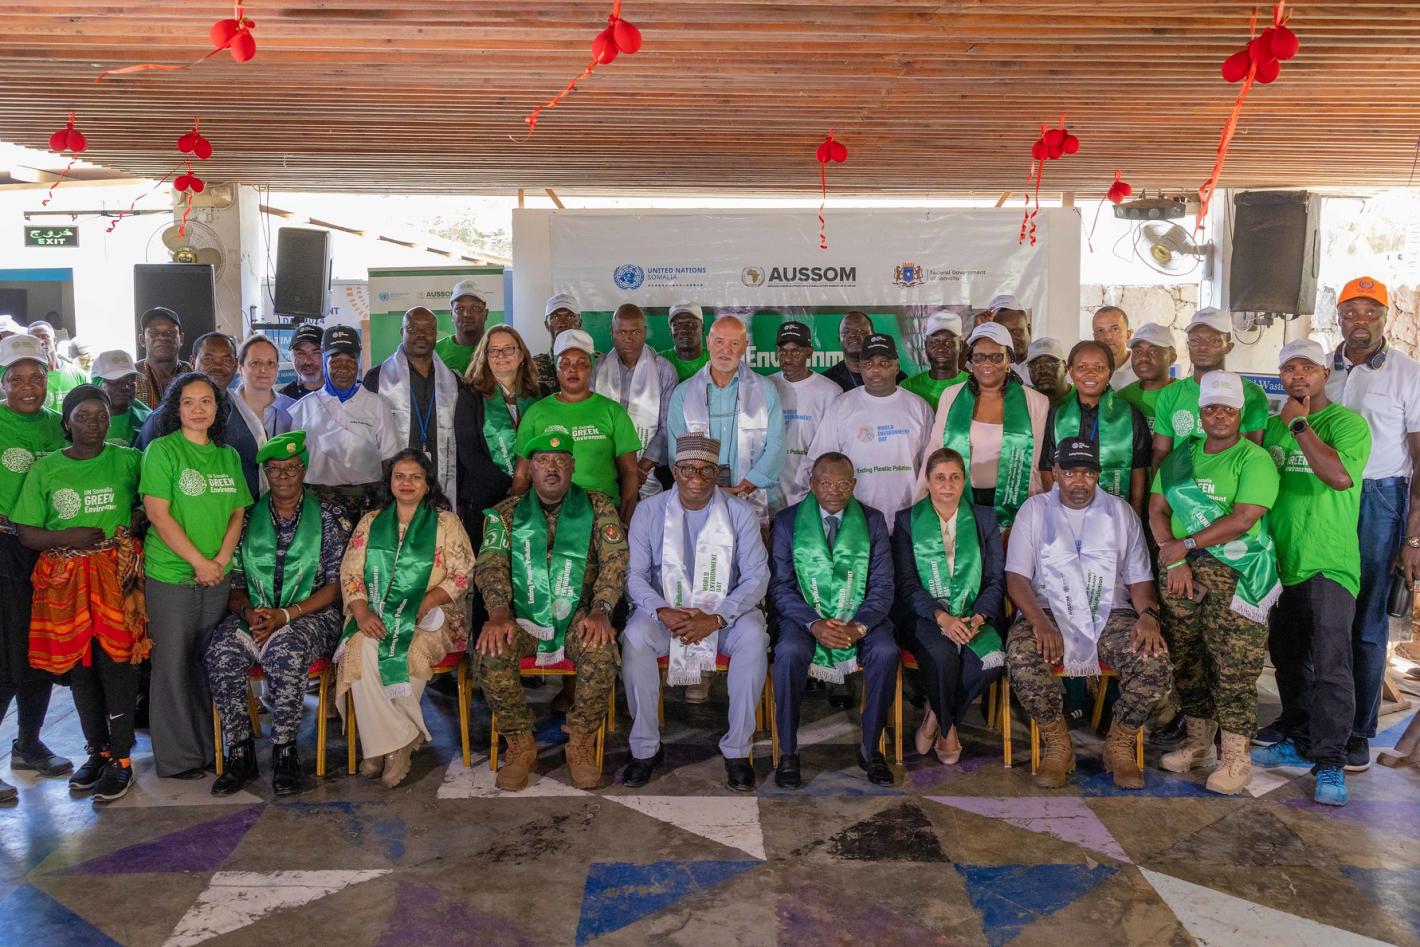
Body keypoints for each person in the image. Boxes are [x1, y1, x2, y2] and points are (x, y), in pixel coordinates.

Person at [1005, 438, 1171, 789]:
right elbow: (1016, 578)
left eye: (1087, 473)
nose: (1079, 482)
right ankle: (1058, 744)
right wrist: (1038, 622)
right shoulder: (1034, 511)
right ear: (1055, 473)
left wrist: (1148, 616)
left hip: (1110, 611)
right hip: (1047, 610)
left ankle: (1120, 743)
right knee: (1021, 654)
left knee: (1153, 659)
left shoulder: (1120, 513)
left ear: (1098, 474)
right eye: (1070, 473)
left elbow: (1140, 578)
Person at [1251, 340, 1370, 806]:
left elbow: (1338, 477)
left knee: (1331, 666)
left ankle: (1330, 761)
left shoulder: (1347, 424)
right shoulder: (1274, 428)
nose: (1297, 376)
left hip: (1328, 563)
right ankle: (1298, 737)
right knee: (1288, 660)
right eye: (1288, 369)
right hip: (1281, 562)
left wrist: (1299, 425)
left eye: (1307, 368)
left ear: (1325, 373)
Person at [473, 431, 627, 791]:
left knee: (601, 650)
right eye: (543, 460)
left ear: (572, 466)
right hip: (521, 619)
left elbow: (616, 560)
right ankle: (520, 744)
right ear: (530, 469)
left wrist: (602, 608)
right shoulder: (505, 514)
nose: (552, 468)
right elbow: (490, 566)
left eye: (560, 460)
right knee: (491, 652)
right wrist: (498, 612)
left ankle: (580, 743)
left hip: (579, 616)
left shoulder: (597, 506)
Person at [1150, 371, 1281, 795]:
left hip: (1236, 573)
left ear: (1240, 413)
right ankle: (1198, 745)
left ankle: (1236, 759)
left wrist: (1186, 544)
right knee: (1187, 659)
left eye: (1228, 409)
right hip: (1181, 571)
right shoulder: (1181, 457)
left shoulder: (1253, 459)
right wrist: (1174, 558)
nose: (1219, 416)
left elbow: (1244, 519)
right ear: (1200, 413)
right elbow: (1156, 508)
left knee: (1233, 666)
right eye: (1211, 409)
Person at [13, 385, 145, 803]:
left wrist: (137, 517)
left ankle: (122, 759)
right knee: (81, 668)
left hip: (115, 577)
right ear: (67, 422)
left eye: (101, 416)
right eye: (83, 417)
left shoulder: (128, 460)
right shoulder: (47, 469)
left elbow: (155, 498)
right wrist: (67, 536)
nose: (94, 424)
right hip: (67, 582)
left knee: (117, 664)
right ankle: (98, 753)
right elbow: (27, 531)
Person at [621, 434, 771, 791]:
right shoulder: (649, 511)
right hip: (666, 613)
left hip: (724, 615)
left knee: (754, 637)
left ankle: (738, 750)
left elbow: (756, 577)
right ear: (675, 471)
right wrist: (661, 610)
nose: (697, 478)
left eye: (706, 470)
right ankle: (644, 748)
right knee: (635, 637)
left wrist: (717, 617)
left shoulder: (739, 513)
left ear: (717, 473)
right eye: (688, 469)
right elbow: (634, 576)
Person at [204, 432, 347, 797]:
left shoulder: (329, 518)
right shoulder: (246, 518)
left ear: (304, 470)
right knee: (221, 653)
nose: (283, 476)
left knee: (286, 650)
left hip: (311, 615)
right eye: (275, 469)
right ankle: (240, 752)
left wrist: (287, 615)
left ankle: (285, 752)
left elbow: (335, 587)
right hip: (255, 612)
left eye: (291, 468)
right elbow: (234, 582)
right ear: (265, 473)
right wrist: (249, 612)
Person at [1321, 276, 1420, 769]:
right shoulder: (1322, 368)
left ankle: (1358, 731)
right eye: (1350, 312)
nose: (1360, 321)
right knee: (1322, 609)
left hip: (1379, 498)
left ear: (1386, 318)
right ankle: (1315, 722)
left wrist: (1414, 535)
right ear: (1338, 317)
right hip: (1323, 496)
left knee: (1366, 619)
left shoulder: (1408, 374)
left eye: (1370, 312)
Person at [140, 371, 253, 779]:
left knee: (206, 664)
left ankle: (209, 749)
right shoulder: (162, 450)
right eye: (188, 402)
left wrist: (220, 560)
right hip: (172, 576)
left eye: (206, 401)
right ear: (176, 408)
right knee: (172, 665)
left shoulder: (227, 455)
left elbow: (238, 512)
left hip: (216, 576)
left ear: (218, 408)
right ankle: (178, 759)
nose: (198, 409)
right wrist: (199, 562)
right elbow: (158, 514)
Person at [337, 450, 472, 788]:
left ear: (427, 484)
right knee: (362, 647)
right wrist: (361, 611)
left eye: (415, 477)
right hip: (376, 611)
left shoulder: (446, 523)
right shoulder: (371, 522)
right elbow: (350, 572)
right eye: (400, 476)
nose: (407, 483)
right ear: (390, 482)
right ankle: (393, 742)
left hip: (434, 614)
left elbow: (462, 575)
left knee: (408, 648)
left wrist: (425, 601)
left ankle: (383, 747)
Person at [769, 453, 898, 787]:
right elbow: (781, 587)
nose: (834, 491)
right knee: (788, 652)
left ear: (853, 485)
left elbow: (883, 586)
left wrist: (859, 626)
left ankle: (872, 749)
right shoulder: (787, 521)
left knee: (885, 652)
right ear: (812, 484)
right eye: (826, 483)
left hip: (860, 618)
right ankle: (788, 751)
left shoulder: (872, 520)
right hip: (804, 619)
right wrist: (814, 624)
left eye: (842, 484)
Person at [894, 448, 1005, 766]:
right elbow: (906, 583)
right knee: (942, 657)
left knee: (989, 662)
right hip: (925, 615)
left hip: (974, 613)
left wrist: (979, 617)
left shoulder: (984, 519)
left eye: (955, 477)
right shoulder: (907, 521)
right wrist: (942, 617)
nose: (947, 484)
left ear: (964, 480)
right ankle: (949, 731)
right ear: (928, 482)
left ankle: (937, 717)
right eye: (939, 477)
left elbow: (995, 578)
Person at [0, 335, 72, 800]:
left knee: (40, 651)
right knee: (5, 659)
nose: (28, 387)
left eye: (36, 377)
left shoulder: (57, 425)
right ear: (3, 383)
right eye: (16, 379)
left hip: (47, 551)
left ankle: (28, 743)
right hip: (4, 549)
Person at [921, 322, 1050, 530]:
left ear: (1009, 360)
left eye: (996, 357)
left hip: (1014, 500)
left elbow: (1035, 463)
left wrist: (1037, 506)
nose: (986, 363)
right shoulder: (951, 396)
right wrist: (920, 498)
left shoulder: (1036, 402)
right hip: (959, 498)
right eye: (979, 357)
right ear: (971, 362)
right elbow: (935, 449)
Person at [512, 329, 642, 525]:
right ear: (556, 369)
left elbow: (630, 472)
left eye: (581, 363)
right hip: (547, 517)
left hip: (603, 514)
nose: (573, 369)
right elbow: (522, 475)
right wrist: (517, 519)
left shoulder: (612, 411)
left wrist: (624, 520)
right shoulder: (536, 412)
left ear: (591, 368)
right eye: (565, 363)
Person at [806, 334, 934, 531]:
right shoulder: (841, 406)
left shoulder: (919, 407)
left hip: (909, 518)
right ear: (860, 367)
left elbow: (931, 465)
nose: (875, 369)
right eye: (868, 363)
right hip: (855, 519)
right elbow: (821, 463)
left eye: (884, 363)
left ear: (897, 367)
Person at [666, 315, 785, 524]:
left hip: (751, 497)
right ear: (708, 342)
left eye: (734, 344)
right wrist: (706, 487)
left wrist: (746, 485)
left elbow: (776, 445)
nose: (726, 350)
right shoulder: (683, 394)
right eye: (719, 341)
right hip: (699, 499)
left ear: (744, 346)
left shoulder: (766, 390)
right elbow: (677, 452)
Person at [453, 325, 542, 580]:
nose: (501, 355)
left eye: (508, 349)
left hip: (535, 496)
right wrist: (511, 485)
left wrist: (527, 484)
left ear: (521, 354)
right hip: (486, 499)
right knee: (491, 572)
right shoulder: (470, 396)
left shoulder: (540, 395)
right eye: (493, 350)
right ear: (485, 356)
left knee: (529, 569)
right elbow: (468, 453)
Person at [288, 326, 401, 521]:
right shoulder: (303, 408)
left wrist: (391, 505)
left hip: (367, 502)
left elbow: (389, 460)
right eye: (336, 361)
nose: (344, 368)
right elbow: (294, 462)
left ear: (359, 362)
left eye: (351, 361)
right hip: (317, 503)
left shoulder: (377, 405)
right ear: (325, 361)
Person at [1040, 340, 1152, 513]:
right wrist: (1057, 510)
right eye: (1082, 367)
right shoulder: (1058, 414)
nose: (1090, 373)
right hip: (1067, 509)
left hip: (1116, 510)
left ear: (1110, 372)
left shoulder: (1129, 414)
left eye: (1099, 367)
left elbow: (1139, 470)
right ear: (1071, 371)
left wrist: (1134, 514)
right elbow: (1047, 467)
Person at [1150, 308, 1270, 468]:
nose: (1203, 347)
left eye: (1214, 341)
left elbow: (1250, 454)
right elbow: (1161, 452)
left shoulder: (1250, 394)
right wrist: (1160, 483)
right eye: (1195, 340)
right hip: (1180, 482)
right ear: (1188, 345)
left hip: (1227, 480)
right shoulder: (1170, 394)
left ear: (1229, 347)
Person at [365, 307, 459, 507]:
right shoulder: (377, 378)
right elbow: (366, 436)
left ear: (436, 334)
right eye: (413, 329)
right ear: (402, 332)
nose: (421, 335)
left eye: (428, 329)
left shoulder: (453, 381)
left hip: (438, 481)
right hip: (394, 482)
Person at [592, 304, 678, 499]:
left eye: (635, 332)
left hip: (647, 471)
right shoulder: (597, 369)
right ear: (612, 332)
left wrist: (638, 470)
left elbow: (667, 427)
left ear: (645, 332)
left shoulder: (664, 371)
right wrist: (617, 468)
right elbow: (591, 421)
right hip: (604, 466)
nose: (628, 338)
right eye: (622, 332)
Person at [768, 320, 841, 511]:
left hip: (810, 492)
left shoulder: (830, 392)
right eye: (783, 351)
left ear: (809, 352)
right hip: (768, 491)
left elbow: (829, 447)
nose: (788, 358)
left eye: (796, 352)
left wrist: (810, 482)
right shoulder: (766, 386)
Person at [231, 335, 296, 494]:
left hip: (281, 498)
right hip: (235, 499)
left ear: (277, 368)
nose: (264, 370)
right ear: (240, 367)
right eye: (256, 363)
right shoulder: (226, 408)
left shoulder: (293, 409)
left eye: (270, 363)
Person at [1116, 323, 1178, 435]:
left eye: (1153, 351)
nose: (1144, 357)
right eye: (1138, 352)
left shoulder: (1185, 396)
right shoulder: (1122, 398)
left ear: (1172, 358)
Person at [823, 310, 907, 391]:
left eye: (861, 331)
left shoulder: (898, 378)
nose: (853, 335)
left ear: (873, 336)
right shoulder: (827, 380)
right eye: (846, 332)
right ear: (839, 340)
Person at [901, 309, 967, 410]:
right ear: (925, 345)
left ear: (960, 346)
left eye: (949, 342)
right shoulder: (908, 388)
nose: (941, 348)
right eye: (934, 342)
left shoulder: (974, 385)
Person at [133, 307, 191, 409]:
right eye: (153, 333)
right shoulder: (130, 376)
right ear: (142, 340)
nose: (163, 337)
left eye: (170, 332)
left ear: (181, 339)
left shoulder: (193, 373)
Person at [91, 350, 152, 447]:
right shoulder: (78, 420)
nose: (125, 387)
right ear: (97, 383)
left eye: (131, 381)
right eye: (115, 381)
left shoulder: (148, 421)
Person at [531, 292, 588, 394]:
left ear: (580, 323)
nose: (563, 323)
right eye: (555, 317)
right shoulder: (533, 366)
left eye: (570, 316)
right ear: (546, 325)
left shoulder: (596, 362)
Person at [26, 320, 87, 412]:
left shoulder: (77, 374)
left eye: (45, 336)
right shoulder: (27, 379)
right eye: (34, 339)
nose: (40, 341)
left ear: (55, 340)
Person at [434, 280, 490, 376]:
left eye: (475, 308)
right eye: (459, 308)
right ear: (452, 315)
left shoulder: (499, 349)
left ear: (486, 314)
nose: (467, 314)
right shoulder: (436, 351)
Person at [989, 295, 1033, 386]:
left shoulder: (1044, 363)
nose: (1010, 338)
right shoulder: (984, 365)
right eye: (1003, 332)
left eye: (1016, 331)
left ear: (1029, 330)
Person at [661, 302, 710, 381]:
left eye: (692, 324)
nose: (684, 330)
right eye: (677, 325)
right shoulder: (659, 361)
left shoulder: (714, 359)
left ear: (703, 328)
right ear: (670, 331)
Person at [1093, 305, 1137, 390]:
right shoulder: (1082, 370)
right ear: (1094, 337)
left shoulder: (1143, 368)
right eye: (1100, 330)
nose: (1107, 336)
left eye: (1115, 329)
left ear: (1128, 334)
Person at [278, 323, 325, 401]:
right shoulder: (281, 400)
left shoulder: (341, 394)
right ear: (291, 356)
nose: (308, 361)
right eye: (300, 353)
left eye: (316, 353)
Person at [1024, 338, 1070, 405]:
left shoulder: (1080, 397)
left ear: (1065, 368)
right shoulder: (1023, 400)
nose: (1043, 371)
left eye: (1051, 364)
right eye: (1035, 366)